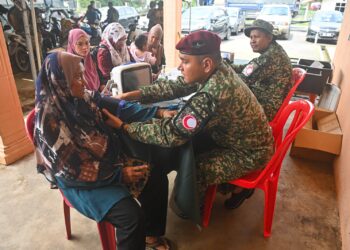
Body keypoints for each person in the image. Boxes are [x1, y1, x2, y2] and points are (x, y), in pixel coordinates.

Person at [103, 31, 274, 215]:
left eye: (185, 61)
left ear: (206, 64)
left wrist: (125, 127)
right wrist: (133, 95)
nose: (180, 67)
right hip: (240, 139)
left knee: (195, 168)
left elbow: (171, 134)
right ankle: (225, 187)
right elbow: (176, 86)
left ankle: (191, 208)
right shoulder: (216, 70)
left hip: (250, 152)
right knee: (190, 146)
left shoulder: (211, 94)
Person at [34, 51, 176, 250]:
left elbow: (122, 107)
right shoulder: (48, 122)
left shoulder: (84, 97)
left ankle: (151, 236)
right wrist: (118, 175)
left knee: (156, 176)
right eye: (76, 76)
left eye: (83, 74)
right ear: (60, 80)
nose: (83, 81)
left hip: (107, 162)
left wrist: (158, 112)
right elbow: (71, 169)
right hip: (78, 181)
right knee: (131, 218)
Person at [230, 19, 293, 122]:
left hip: (265, 109)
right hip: (267, 101)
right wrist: (227, 66)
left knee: (224, 107)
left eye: (257, 37)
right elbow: (247, 68)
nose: (252, 41)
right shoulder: (274, 50)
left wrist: (222, 72)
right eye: (251, 37)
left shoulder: (269, 57)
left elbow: (241, 80)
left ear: (269, 38)